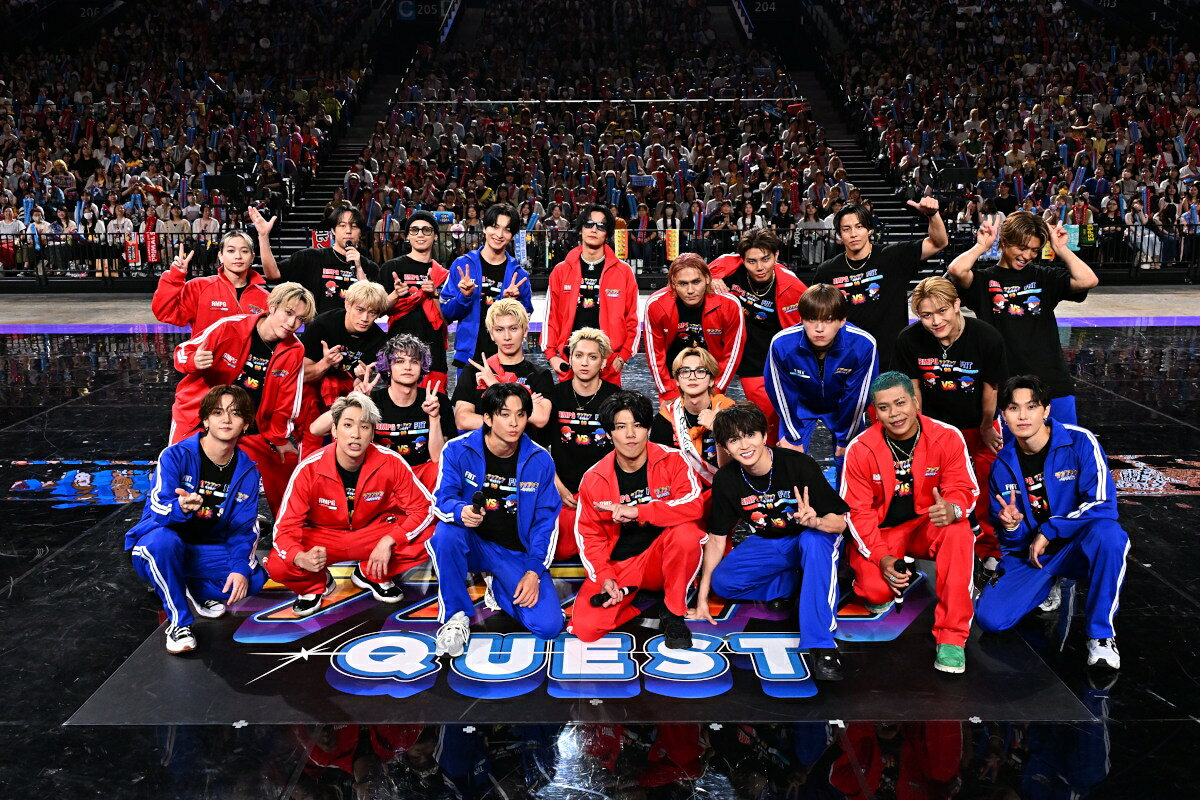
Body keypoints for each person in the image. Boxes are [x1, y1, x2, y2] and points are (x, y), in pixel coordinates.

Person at [975, 376, 1128, 670]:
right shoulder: (1002, 465)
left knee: (1110, 535)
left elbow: (1103, 505)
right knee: (990, 619)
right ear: (1003, 415)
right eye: (1013, 408)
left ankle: (1101, 635)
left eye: (1031, 406)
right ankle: (1048, 582)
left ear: (1046, 410)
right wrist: (1012, 527)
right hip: (1035, 555)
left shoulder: (1080, 441)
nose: (1022, 416)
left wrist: (1050, 529)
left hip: (1077, 547)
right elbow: (1011, 544)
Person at [692, 402, 849, 680]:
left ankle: (822, 644)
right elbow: (716, 539)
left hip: (813, 536)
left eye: (750, 435)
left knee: (813, 543)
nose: (744, 445)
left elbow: (840, 523)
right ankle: (808, 585)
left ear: (764, 435)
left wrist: (816, 522)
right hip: (770, 540)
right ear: (726, 447)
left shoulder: (798, 465)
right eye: (734, 440)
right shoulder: (727, 479)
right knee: (724, 582)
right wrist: (703, 598)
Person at [841, 372, 979, 674]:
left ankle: (952, 637)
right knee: (876, 594)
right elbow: (857, 513)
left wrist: (953, 508)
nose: (894, 413)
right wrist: (881, 557)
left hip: (927, 525)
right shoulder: (861, 449)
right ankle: (874, 576)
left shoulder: (947, 436)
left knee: (958, 532)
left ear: (916, 402)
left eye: (900, 403)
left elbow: (963, 486)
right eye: (884, 407)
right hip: (884, 533)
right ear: (875, 413)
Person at [266, 392, 435, 616]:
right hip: (324, 537)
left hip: (372, 533)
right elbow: (284, 528)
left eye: (364, 427)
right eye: (347, 425)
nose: (355, 434)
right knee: (279, 563)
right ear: (334, 430)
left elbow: (424, 509)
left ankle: (371, 573)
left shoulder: (390, 461)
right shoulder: (308, 469)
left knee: (435, 534)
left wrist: (390, 540)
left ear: (372, 433)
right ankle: (315, 584)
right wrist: (300, 557)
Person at [427, 383, 566, 656]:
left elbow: (546, 522)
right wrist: (460, 511)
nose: (514, 423)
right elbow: (441, 500)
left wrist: (533, 571)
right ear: (488, 418)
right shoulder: (457, 450)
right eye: (504, 414)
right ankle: (456, 616)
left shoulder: (540, 459)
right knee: (446, 534)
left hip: (514, 552)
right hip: (473, 543)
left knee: (548, 625)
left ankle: (498, 584)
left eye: (521, 414)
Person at [127, 385, 267, 654]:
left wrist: (239, 567)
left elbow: (244, 529)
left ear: (246, 424)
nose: (226, 419)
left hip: (205, 547)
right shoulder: (175, 455)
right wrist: (179, 507)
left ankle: (192, 587)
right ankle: (179, 622)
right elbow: (157, 508)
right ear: (205, 420)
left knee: (253, 579)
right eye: (218, 412)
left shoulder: (248, 470)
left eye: (235, 413)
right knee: (163, 543)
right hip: (160, 543)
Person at [570, 391, 707, 649]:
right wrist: (605, 577)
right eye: (621, 427)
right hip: (622, 566)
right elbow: (589, 536)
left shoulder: (673, 459)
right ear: (609, 433)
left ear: (648, 429)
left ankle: (673, 611)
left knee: (687, 534)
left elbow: (693, 505)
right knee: (586, 629)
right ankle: (634, 597)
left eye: (638, 425)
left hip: (660, 557)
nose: (631, 434)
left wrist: (639, 511)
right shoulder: (594, 477)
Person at [171, 282, 315, 513]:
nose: (292, 323)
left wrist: (278, 437)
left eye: (300, 319)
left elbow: (287, 400)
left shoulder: (294, 350)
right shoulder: (230, 326)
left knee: (286, 464)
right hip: (199, 417)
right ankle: (166, 520)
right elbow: (182, 352)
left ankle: (288, 526)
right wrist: (193, 361)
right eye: (288, 313)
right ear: (272, 307)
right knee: (177, 469)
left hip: (250, 425)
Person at [946, 211, 1099, 426]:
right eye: (1022, 247)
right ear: (1005, 241)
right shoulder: (984, 280)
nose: (1027, 255)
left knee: (1063, 443)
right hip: (1006, 387)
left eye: (1034, 250)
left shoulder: (1044, 277)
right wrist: (981, 246)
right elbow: (956, 269)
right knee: (1010, 446)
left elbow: (1088, 280)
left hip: (1052, 382)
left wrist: (1061, 249)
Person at [892, 277, 1008, 558]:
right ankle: (932, 543)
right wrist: (919, 432)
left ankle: (989, 550)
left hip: (977, 423)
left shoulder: (986, 337)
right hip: (935, 427)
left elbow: (991, 387)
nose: (935, 321)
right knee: (927, 485)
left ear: (957, 305)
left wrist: (986, 426)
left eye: (942, 311)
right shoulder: (909, 339)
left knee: (987, 483)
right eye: (926, 315)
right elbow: (912, 390)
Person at [813, 198, 948, 368]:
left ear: (870, 229)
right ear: (840, 234)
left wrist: (933, 215)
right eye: (846, 229)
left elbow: (939, 242)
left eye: (859, 226)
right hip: (846, 361)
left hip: (891, 360)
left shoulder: (893, 256)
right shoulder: (827, 270)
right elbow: (816, 314)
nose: (853, 234)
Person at [312, 333, 455, 490]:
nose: (407, 367)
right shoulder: (372, 400)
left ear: (422, 367)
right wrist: (354, 399)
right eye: (400, 361)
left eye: (414, 361)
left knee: (440, 470)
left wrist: (434, 417)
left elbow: (438, 459)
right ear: (388, 368)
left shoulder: (437, 401)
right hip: (381, 475)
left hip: (421, 475)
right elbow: (316, 429)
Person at [708, 229, 806, 443]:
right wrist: (711, 278)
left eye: (765, 259)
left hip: (763, 357)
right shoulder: (727, 264)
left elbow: (803, 330)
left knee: (768, 417)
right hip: (724, 348)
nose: (759, 267)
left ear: (776, 255)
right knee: (707, 405)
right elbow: (693, 275)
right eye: (751, 261)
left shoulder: (792, 287)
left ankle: (771, 455)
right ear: (742, 259)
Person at [765, 284, 877, 463]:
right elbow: (780, 393)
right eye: (812, 319)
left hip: (842, 406)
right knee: (791, 462)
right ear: (801, 319)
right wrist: (793, 437)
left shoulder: (863, 344)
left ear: (842, 320)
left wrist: (846, 439)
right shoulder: (781, 344)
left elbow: (858, 398)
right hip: (800, 405)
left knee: (849, 460)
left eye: (828, 320)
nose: (819, 328)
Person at [541, 203, 639, 385]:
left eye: (601, 226)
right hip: (569, 364)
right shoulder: (561, 271)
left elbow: (632, 320)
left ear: (607, 234)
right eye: (589, 224)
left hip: (609, 367)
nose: (594, 229)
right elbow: (550, 318)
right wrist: (551, 356)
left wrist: (622, 357)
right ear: (580, 229)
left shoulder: (624, 272)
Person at [546, 328, 622, 560]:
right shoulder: (555, 395)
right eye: (578, 355)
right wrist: (558, 487)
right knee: (562, 550)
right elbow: (539, 450)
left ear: (603, 362)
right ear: (570, 359)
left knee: (609, 550)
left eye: (592, 356)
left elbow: (626, 452)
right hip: (563, 491)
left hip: (603, 493)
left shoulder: (615, 397)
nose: (584, 362)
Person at [298, 279, 391, 453]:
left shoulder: (379, 339)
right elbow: (300, 376)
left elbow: (361, 387)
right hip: (313, 392)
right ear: (348, 304)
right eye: (360, 310)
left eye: (372, 313)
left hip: (347, 395)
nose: (365, 318)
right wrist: (325, 364)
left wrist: (361, 379)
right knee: (312, 441)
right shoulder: (322, 325)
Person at [440, 203, 533, 371]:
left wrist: (513, 305)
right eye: (495, 227)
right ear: (484, 228)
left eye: (507, 230)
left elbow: (525, 323)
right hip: (468, 359)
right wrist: (464, 297)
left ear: (512, 235)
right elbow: (445, 313)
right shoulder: (462, 266)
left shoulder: (519, 276)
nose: (499, 235)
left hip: (506, 362)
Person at [150, 210, 276, 331]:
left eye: (244, 251)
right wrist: (174, 277)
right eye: (231, 251)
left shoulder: (265, 297)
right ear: (220, 256)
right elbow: (164, 313)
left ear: (252, 257)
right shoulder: (198, 287)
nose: (238, 256)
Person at [644, 253, 745, 402]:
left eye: (696, 282)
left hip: (711, 382)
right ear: (673, 283)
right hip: (673, 381)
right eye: (683, 284)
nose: (690, 290)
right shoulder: (656, 304)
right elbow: (655, 354)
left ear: (708, 279)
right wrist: (667, 391)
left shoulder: (729, 304)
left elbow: (732, 354)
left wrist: (716, 390)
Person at [451, 298, 554, 434]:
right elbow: (463, 420)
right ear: (492, 334)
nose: (507, 337)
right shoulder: (474, 371)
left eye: (513, 328)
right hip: (484, 447)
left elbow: (540, 419)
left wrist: (495, 385)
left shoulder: (540, 375)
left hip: (524, 447)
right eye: (499, 330)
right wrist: (524, 405)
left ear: (525, 331)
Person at [261, 203, 382, 316]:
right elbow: (273, 273)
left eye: (354, 226)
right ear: (333, 230)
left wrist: (359, 269)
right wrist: (263, 236)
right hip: (317, 328)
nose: (348, 231)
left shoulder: (369, 267)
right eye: (342, 225)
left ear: (360, 233)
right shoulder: (310, 257)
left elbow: (376, 307)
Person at [380, 210, 450, 389]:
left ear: (435, 236)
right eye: (414, 230)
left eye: (426, 230)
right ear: (407, 236)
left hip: (434, 355)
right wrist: (395, 295)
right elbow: (377, 310)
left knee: (435, 403)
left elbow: (447, 319)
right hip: (399, 355)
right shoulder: (391, 268)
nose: (420, 234)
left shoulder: (444, 275)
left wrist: (434, 294)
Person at [649, 347, 735, 485]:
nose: (692, 376)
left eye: (700, 371)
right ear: (677, 380)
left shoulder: (731, 412)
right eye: (685, 371)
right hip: (681, 489)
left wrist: (719, 428)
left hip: (724, 488)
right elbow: (660, 469)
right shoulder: (664, 420)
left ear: (711, 380)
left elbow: (738, 466)